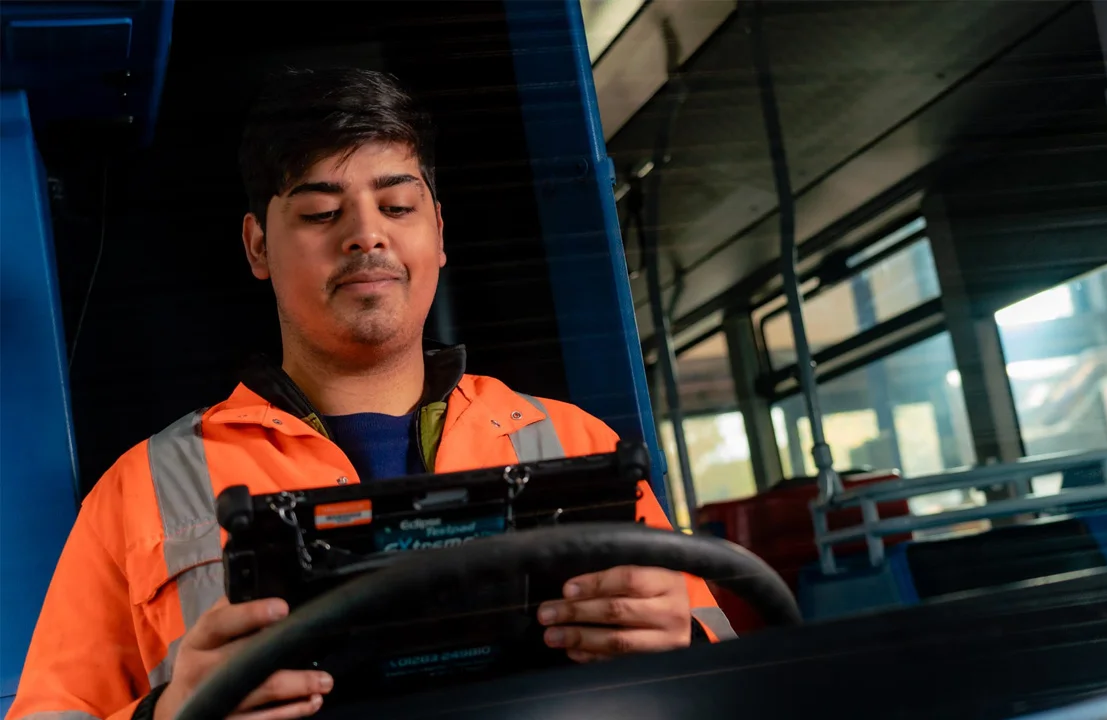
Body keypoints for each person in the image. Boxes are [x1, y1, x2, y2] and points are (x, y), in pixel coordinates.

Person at [9, 67, 733, 720]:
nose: (364, 235)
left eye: (396, 206)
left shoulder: (577, 444)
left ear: (439, 233)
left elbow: (738, 680)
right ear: (258, 246)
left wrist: (688, 641)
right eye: (322, 213)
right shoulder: (142, 491)